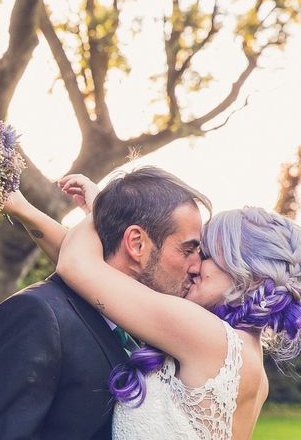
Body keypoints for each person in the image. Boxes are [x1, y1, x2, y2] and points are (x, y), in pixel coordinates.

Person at [0, 167, 212, 439]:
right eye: (187, 250)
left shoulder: (144, 329)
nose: (196, 266)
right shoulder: (35, 316)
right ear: (137, 244)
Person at [56, 174, 301, 439]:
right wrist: (26, 211)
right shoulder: (252, 364)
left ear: (249, 275)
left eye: (206, 254)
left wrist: (106, 209)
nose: (195, 265)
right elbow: (103, 279)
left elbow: (78, 267)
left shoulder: (208, 336)